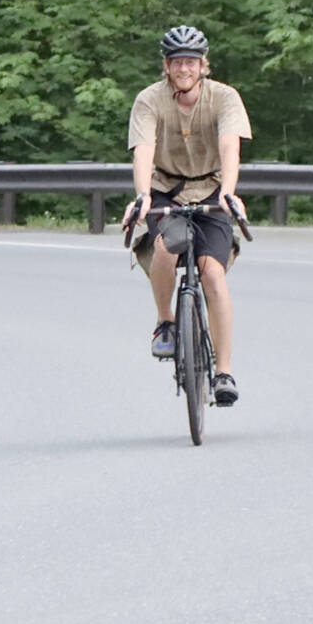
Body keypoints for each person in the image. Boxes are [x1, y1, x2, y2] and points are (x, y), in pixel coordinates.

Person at [122, 25, 252, 406]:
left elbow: (230, 147)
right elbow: (143, 150)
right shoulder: (149, 100)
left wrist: (228, 191)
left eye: (191, 62)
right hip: (166, 189)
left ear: (202, 65)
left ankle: (224, 373)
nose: (184, 68)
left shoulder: (224, 98)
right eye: (177, 62)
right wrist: (143, 195)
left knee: (212, 272)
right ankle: (166, 322)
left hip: (212, 187)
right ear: (167, 66)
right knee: (166, 248)